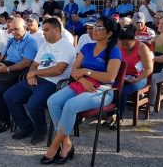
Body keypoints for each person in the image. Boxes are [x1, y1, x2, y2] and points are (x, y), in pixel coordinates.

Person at [41, 16, 121, 165]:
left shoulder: (114, 51)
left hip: (102, 90)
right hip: (81, 84)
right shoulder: (87, 47)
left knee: (70, 105)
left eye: (99, 28)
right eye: (94, 27)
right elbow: (74, 70)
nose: (94, 30)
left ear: (109, 33)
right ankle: (66, 144)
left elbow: (110, 76)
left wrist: (87, 71)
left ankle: (54, 146)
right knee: (53, 101)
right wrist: (83, 78)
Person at [4, 18, 76, 145]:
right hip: (37, 78)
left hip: (54, 82)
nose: (44, 33)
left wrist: (35, 73)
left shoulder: (66, 46)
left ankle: (40, 130)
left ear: (57, 30)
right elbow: (35, 64)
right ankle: (26, 127)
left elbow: (58, 70)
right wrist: (31, 75)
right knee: (9, 95)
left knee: (33, 104)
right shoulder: (44, 44)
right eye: (43, 30)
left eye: (47, 30)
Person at [0, 18, 38, 133]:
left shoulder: (31, 42)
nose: (14, 32)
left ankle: (4, 121)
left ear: (25, 28)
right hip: (5, 67)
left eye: (16, 29)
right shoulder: (11, 40)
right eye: (11, 29)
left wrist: (8, 69)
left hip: (18, 71)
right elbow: (1, 57)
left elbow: (26, 63)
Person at [118, 24, 153, 119]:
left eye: (127, 44)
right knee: (109, 87)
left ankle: (118, 117)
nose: (124, 46)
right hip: (122, 76)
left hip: (138, 77)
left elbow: (149, 68)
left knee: (123, 91)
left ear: (134, 40)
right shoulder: (119, 45)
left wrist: (136, 79)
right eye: (122, 44)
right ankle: (109, 112)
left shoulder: (142, 47)